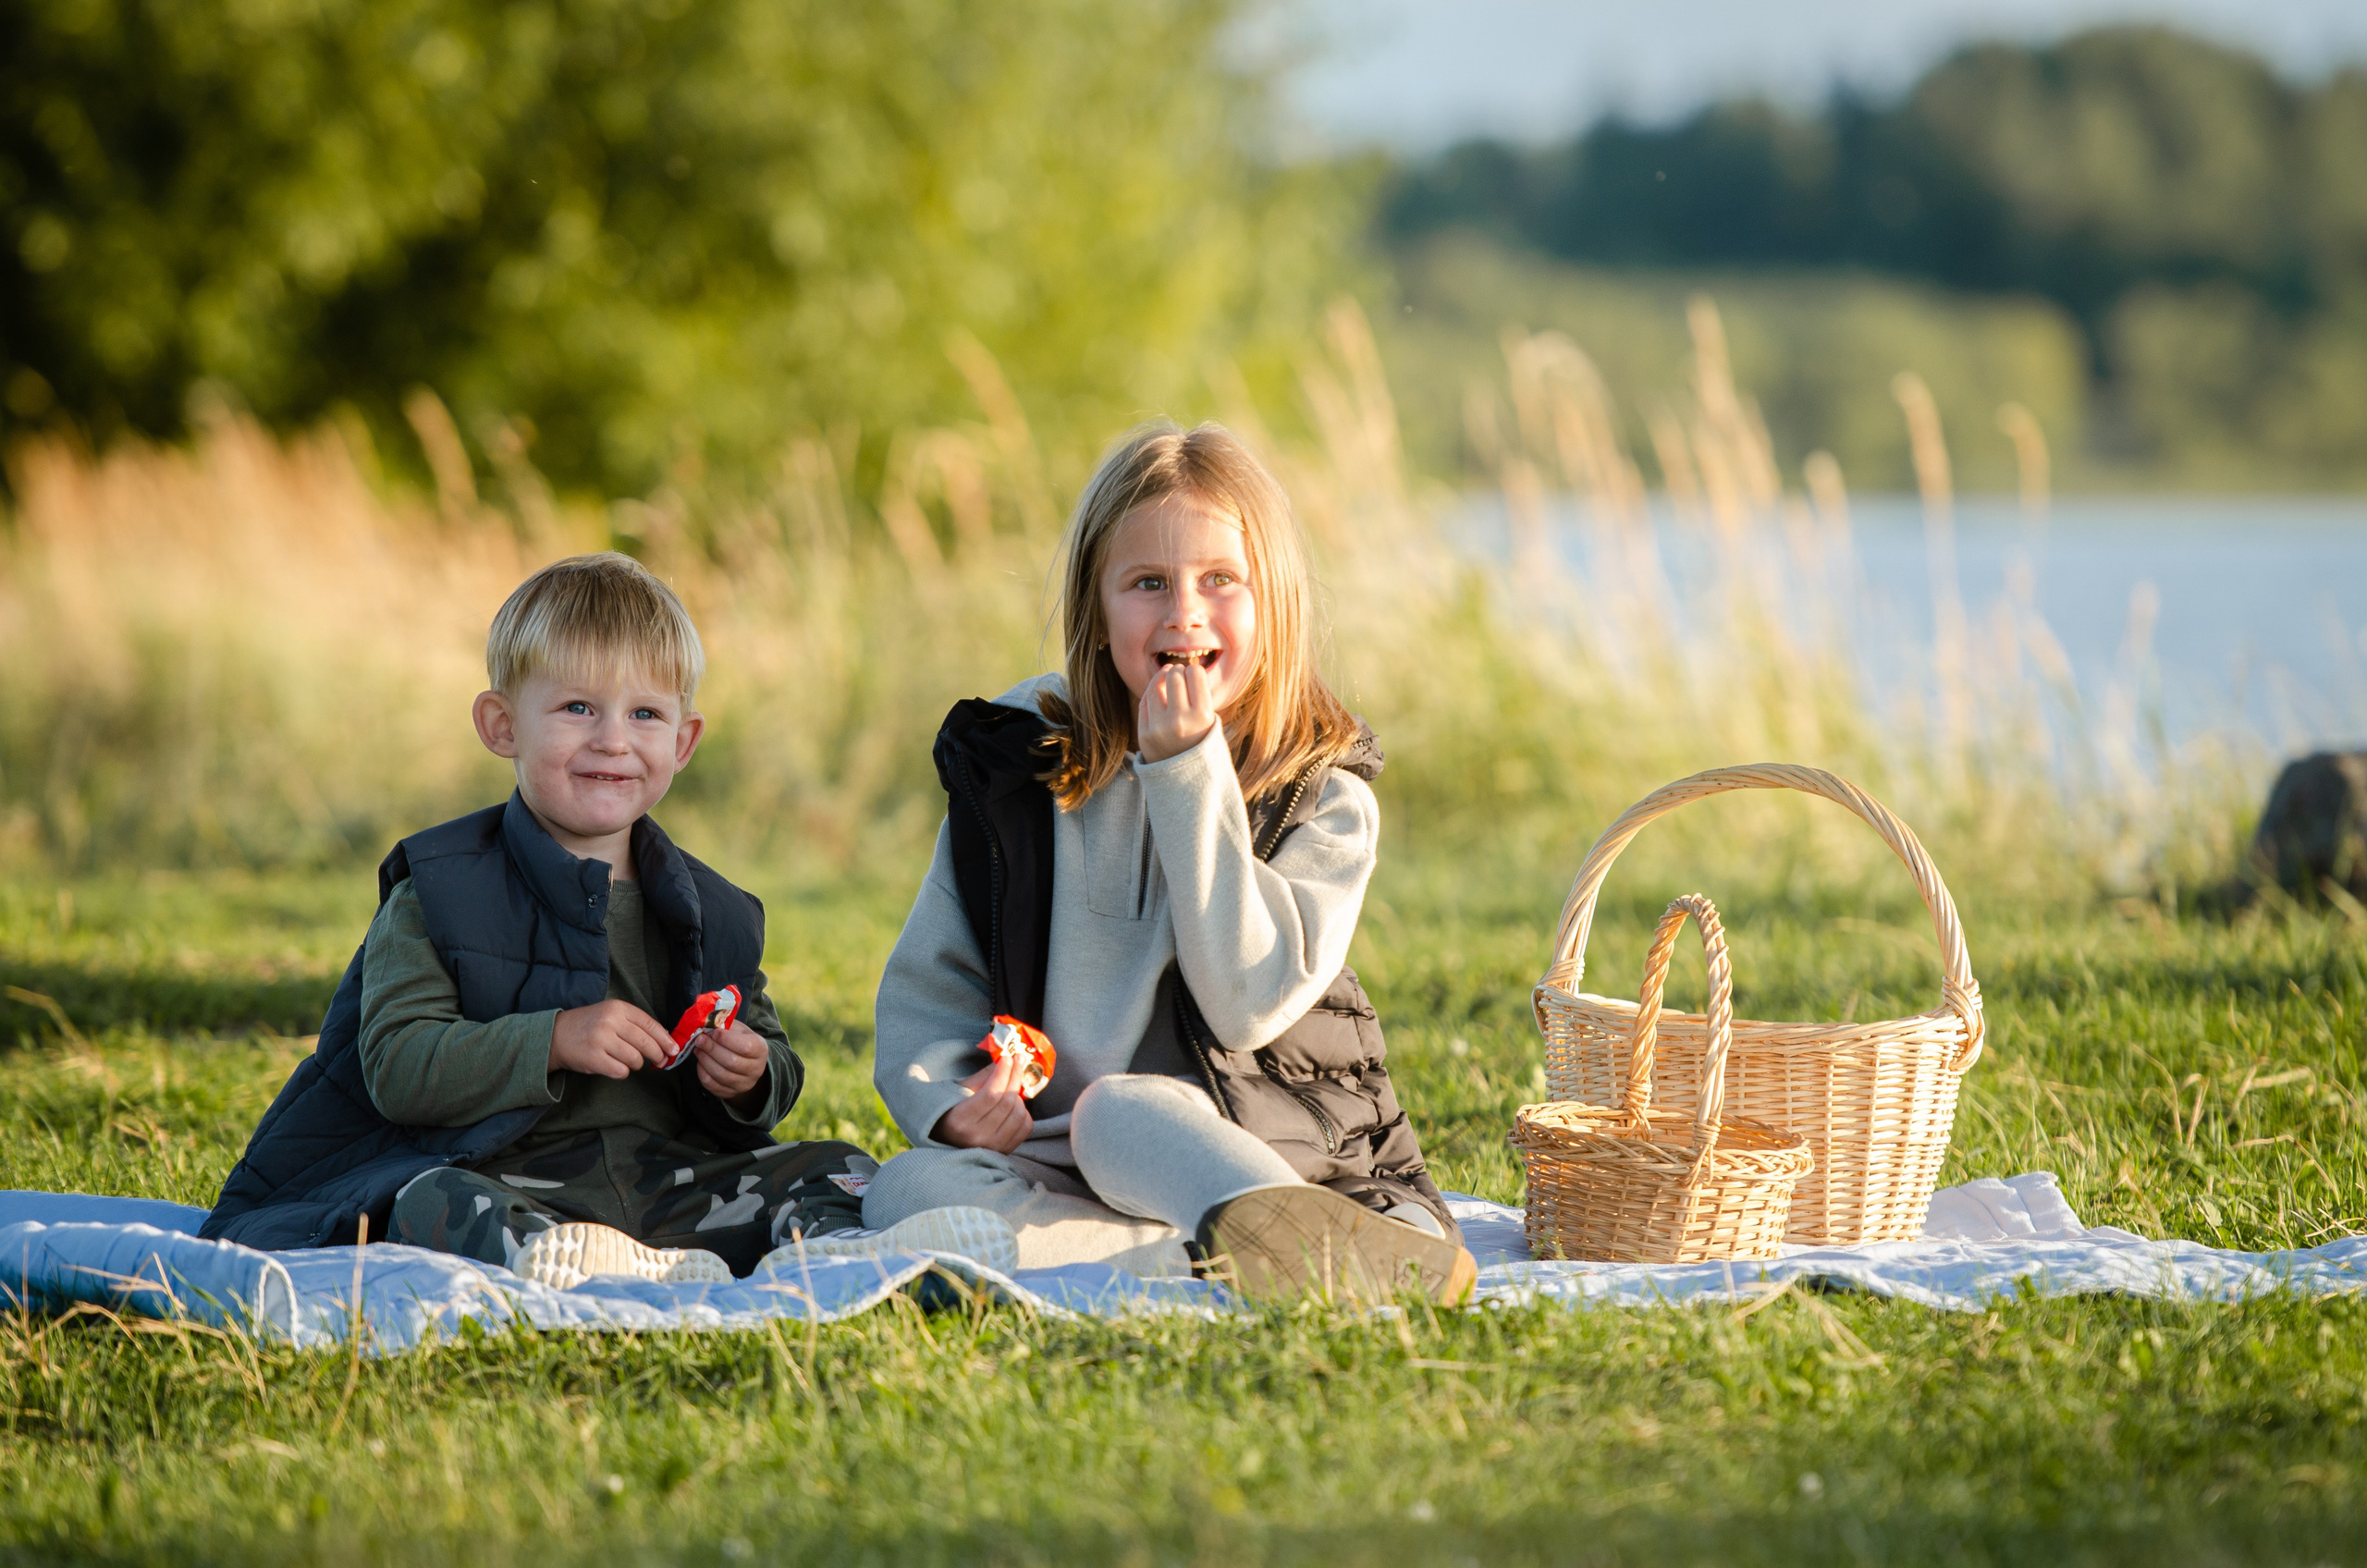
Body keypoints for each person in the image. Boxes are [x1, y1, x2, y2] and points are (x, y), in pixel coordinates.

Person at [202, 553, 1014, 1286]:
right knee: (429, 1200)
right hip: (507, 1172)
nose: (613, 742)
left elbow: (774, 1057)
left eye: (645, 716)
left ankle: (835, 1250)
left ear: (685, 742)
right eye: (578, 708)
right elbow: (397, 1063)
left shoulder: (712, 907)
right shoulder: (441, 890)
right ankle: (562, 1258)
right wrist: (552, 1039)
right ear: (501, 725)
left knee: (834, 1163)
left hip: (665, 1176)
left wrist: (751, 1071)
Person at [865, 423, 1476, 1304]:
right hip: (1058, 1154)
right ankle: (1187, 1261)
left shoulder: (1324, 797)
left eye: (1221, 581)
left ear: (1276, 605)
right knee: (906, 1189)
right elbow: (932, 986)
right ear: (1097, 609)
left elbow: (1248, 999)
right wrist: (947, 1102)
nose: (1184, 612)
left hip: (1261, 1141)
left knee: (1123, 1108)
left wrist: (1190, 775)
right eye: (1147, 583)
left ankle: (1283, 1230)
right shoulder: (1019, 770)